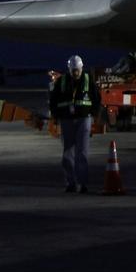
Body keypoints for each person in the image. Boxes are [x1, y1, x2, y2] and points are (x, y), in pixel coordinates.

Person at [49, 55, 101, 193]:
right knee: (68, 153)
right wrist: (55, 115)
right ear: (69, 69)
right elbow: (53, 99)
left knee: (82, 153)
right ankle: (70, 182)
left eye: (77, 71)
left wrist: (95, 115)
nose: (75, 74)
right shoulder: (62, 81)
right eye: (73, 71)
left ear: (81, 68)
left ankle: (83, 183)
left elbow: (96, 98)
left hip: (84, 119)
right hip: (66, 120)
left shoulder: (88, 80)